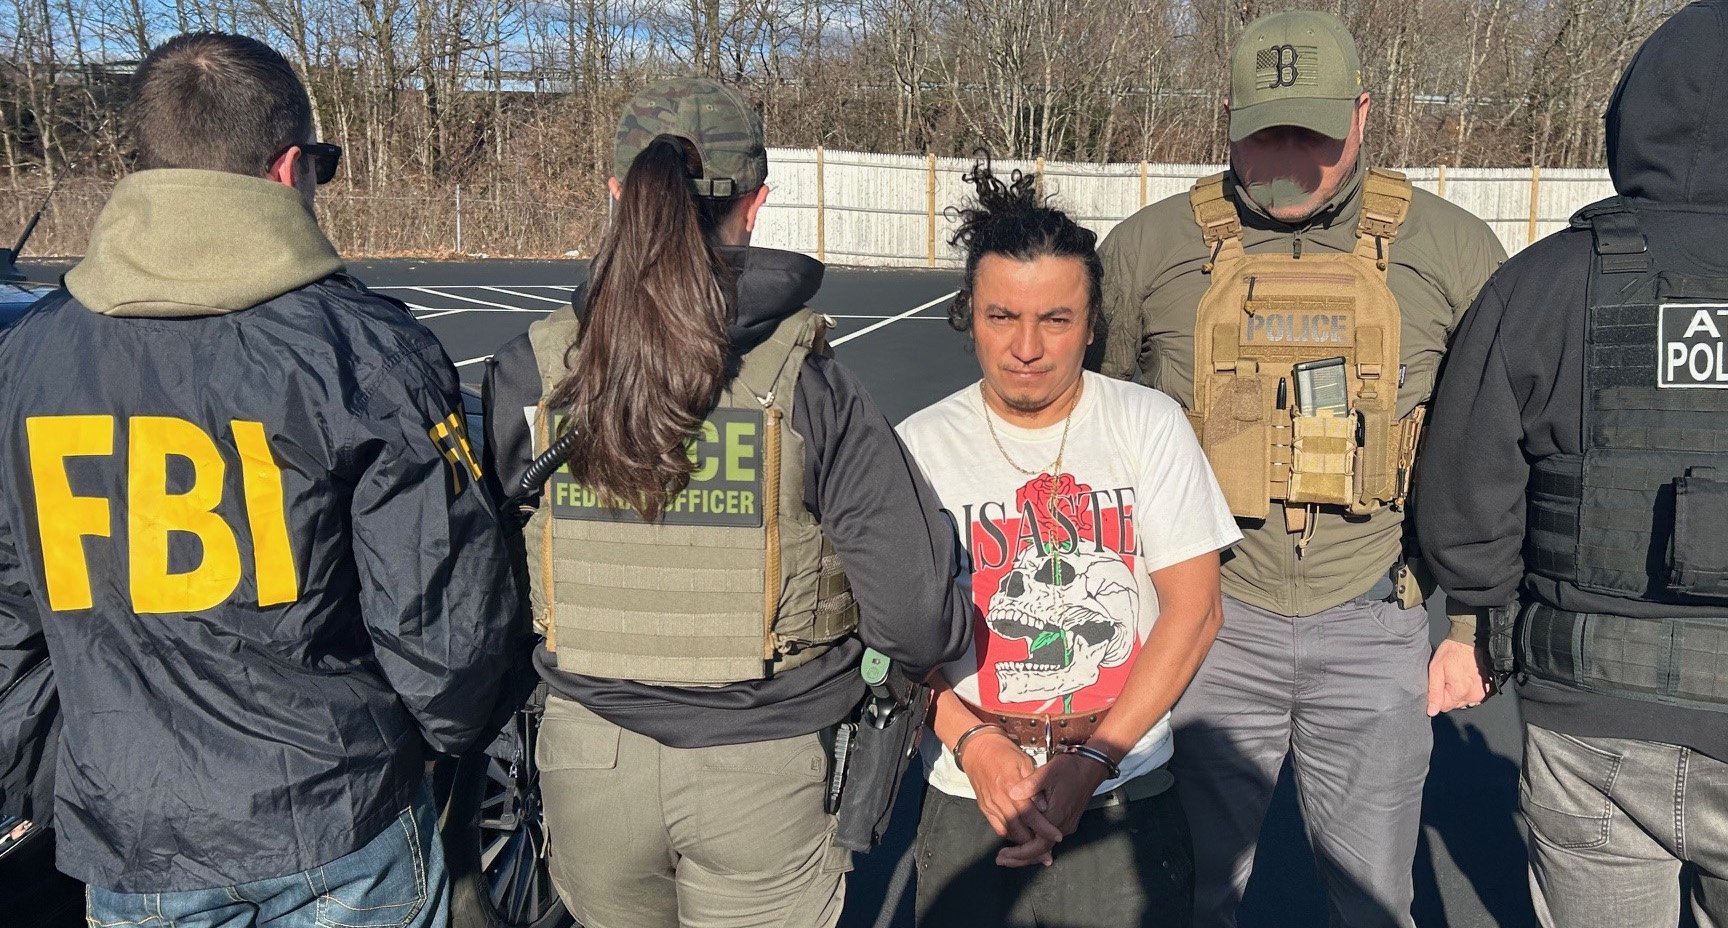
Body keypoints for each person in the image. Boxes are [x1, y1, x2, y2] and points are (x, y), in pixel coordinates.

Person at [0, 31, 518, 928]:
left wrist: (50, 773)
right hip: (333, 820)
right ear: (288, 171)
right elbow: (442, 628)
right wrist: (447, 742)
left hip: (130, 836)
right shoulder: (362, 351)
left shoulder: (33, 354)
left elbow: (14, 611)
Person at [1416, 1, 1728, 925]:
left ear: (1634, 110)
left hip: (1589, 718)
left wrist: (1472, 613)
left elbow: (1463, 488)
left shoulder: (1550, 278)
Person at [479, 78, 973, 928]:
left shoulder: (533, 369)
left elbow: (471, 567)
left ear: (616, 195)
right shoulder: (809, 381)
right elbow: (917, 615)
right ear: (755, 204)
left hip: (587, 762)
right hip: (764, 769)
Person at [1096, 11, 1507, 927]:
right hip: (1202, 628)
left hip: (1372, 625)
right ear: (1228, 118)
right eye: (1264, 130)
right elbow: (1092, 432)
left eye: (1312, 133)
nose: (1286, 154)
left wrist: (1473, 624)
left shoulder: (1451, 252)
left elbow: (1492, 451)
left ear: (1363, 115)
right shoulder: (1147, 250)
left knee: (1372, 904)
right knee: (1184, 897)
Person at [898, 165, 1240, 927]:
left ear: (1091, 323)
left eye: (1055, 319)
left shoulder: (1147, 424)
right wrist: (975, 745)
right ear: (968, 316)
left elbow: (1195, 612)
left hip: (1125, 783)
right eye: (1001, 317)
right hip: (970, 791)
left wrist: (1093, 761)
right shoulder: (916, 447)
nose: (1026, 347)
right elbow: (893, 635)